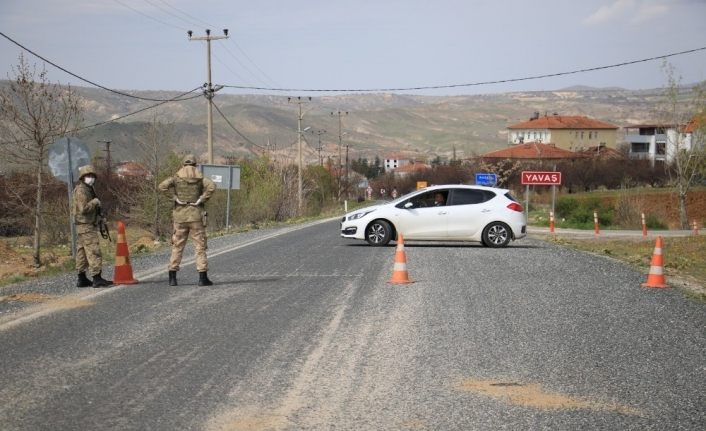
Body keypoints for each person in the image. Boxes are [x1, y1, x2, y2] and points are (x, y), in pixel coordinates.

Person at [158, 154, 216, 286]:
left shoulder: (176, 177)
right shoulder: (200, 178)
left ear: (183, 164)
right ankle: (202, 278)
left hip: (180, 216)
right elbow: (212, 186)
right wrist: (201, 199)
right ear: (195, 165)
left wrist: (175, 198)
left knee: (177, 246)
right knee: (199, 247)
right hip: (196, 216)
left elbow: (162, 186)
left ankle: (172, 277)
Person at [73, 165, 113, 288]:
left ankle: (82, 278)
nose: (91, 178)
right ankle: (97, 278)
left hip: (84, 225)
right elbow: (83, 209)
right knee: (93, 250)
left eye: (92, 176)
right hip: (86, 225)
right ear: (83, 177)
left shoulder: (88, 188)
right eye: (88, 176)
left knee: (82, 252)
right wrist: (95, 202)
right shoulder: (82, 190)